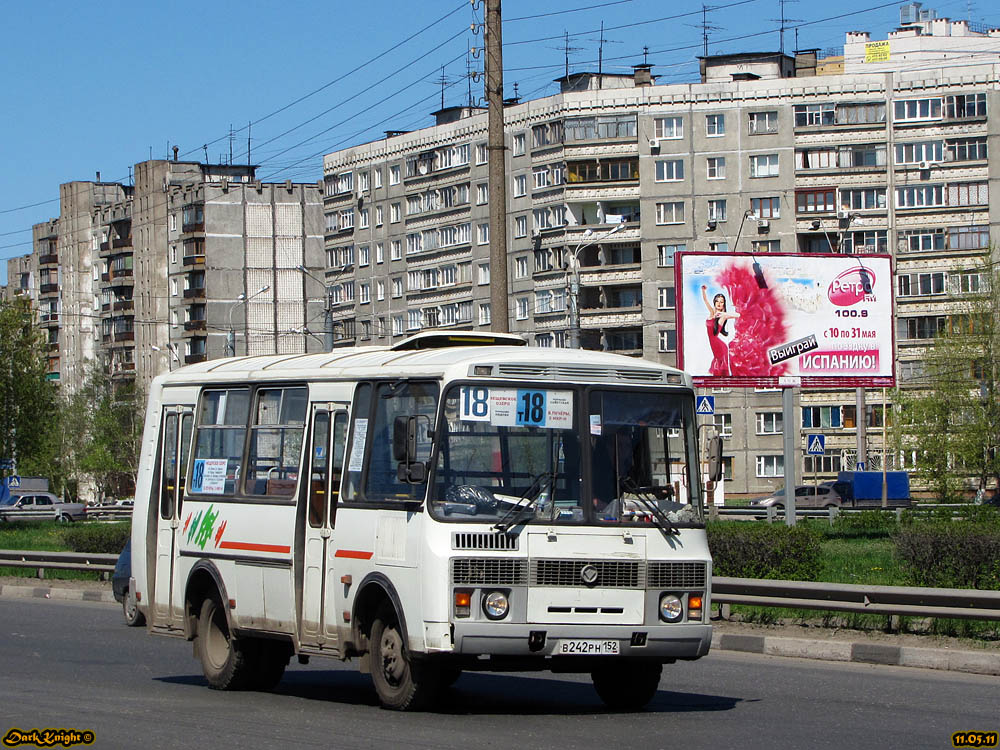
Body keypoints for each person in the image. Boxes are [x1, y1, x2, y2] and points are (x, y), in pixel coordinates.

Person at [701, 285, 740, 377]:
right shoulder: (712, 313)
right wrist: (703, 290)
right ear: (714, 302)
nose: (719, 303)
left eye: (721, 302)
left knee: (722, 370)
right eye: (717, 301)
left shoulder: (723, 316)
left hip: (720, 348)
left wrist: (724, 313)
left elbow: (738, 315)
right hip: (715, 346)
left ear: (724, 304)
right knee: (717, 368)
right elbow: (705, 300)